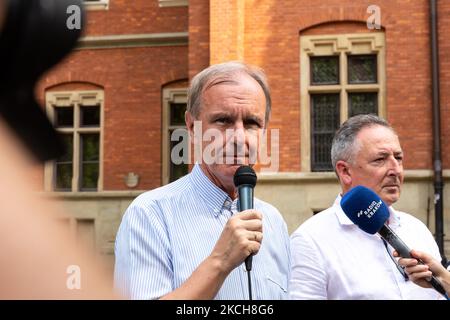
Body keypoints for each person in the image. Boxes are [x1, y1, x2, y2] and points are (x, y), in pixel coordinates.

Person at [114, 61, 290, 300]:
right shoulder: (150, 215)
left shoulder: (274, 221)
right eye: (223, 121)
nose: (239, 138)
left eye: (251, 123)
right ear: (191, 126)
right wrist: (219, 262)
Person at [289, 114, 443, 299]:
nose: (396, 170)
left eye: (399, 157)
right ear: (345, 171)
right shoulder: (310, 240)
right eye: (380, 159)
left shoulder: (417, 228)